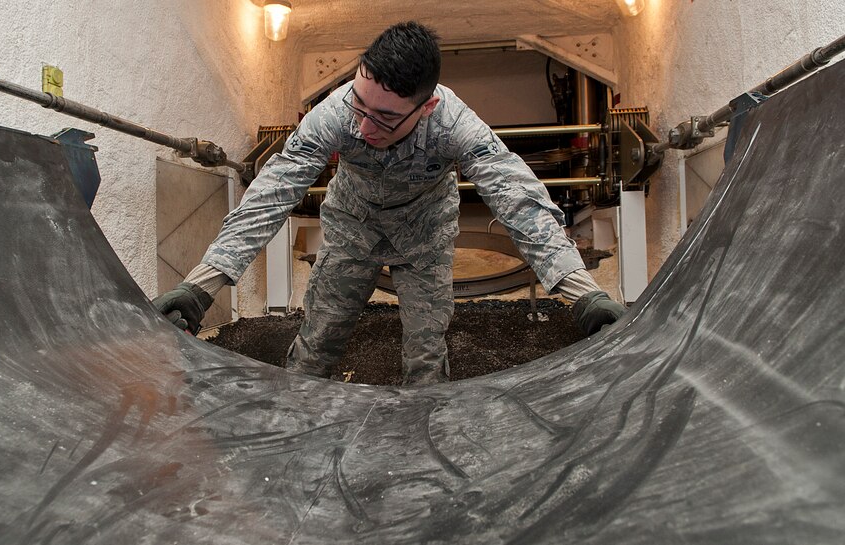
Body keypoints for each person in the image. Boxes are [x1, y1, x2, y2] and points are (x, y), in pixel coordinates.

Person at [153, 21, 626, 385]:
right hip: (351, 231)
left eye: (383, 117)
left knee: (425, 355)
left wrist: (583, 294)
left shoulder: (455, 124)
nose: (362, 126)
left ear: (427, 108)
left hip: (424, 239)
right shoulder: (334, 115)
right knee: (318, 344)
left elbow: (518, 199)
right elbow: (271, 193)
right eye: (359, 104)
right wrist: (201, 286)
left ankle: (421, 453)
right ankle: (296, 436)